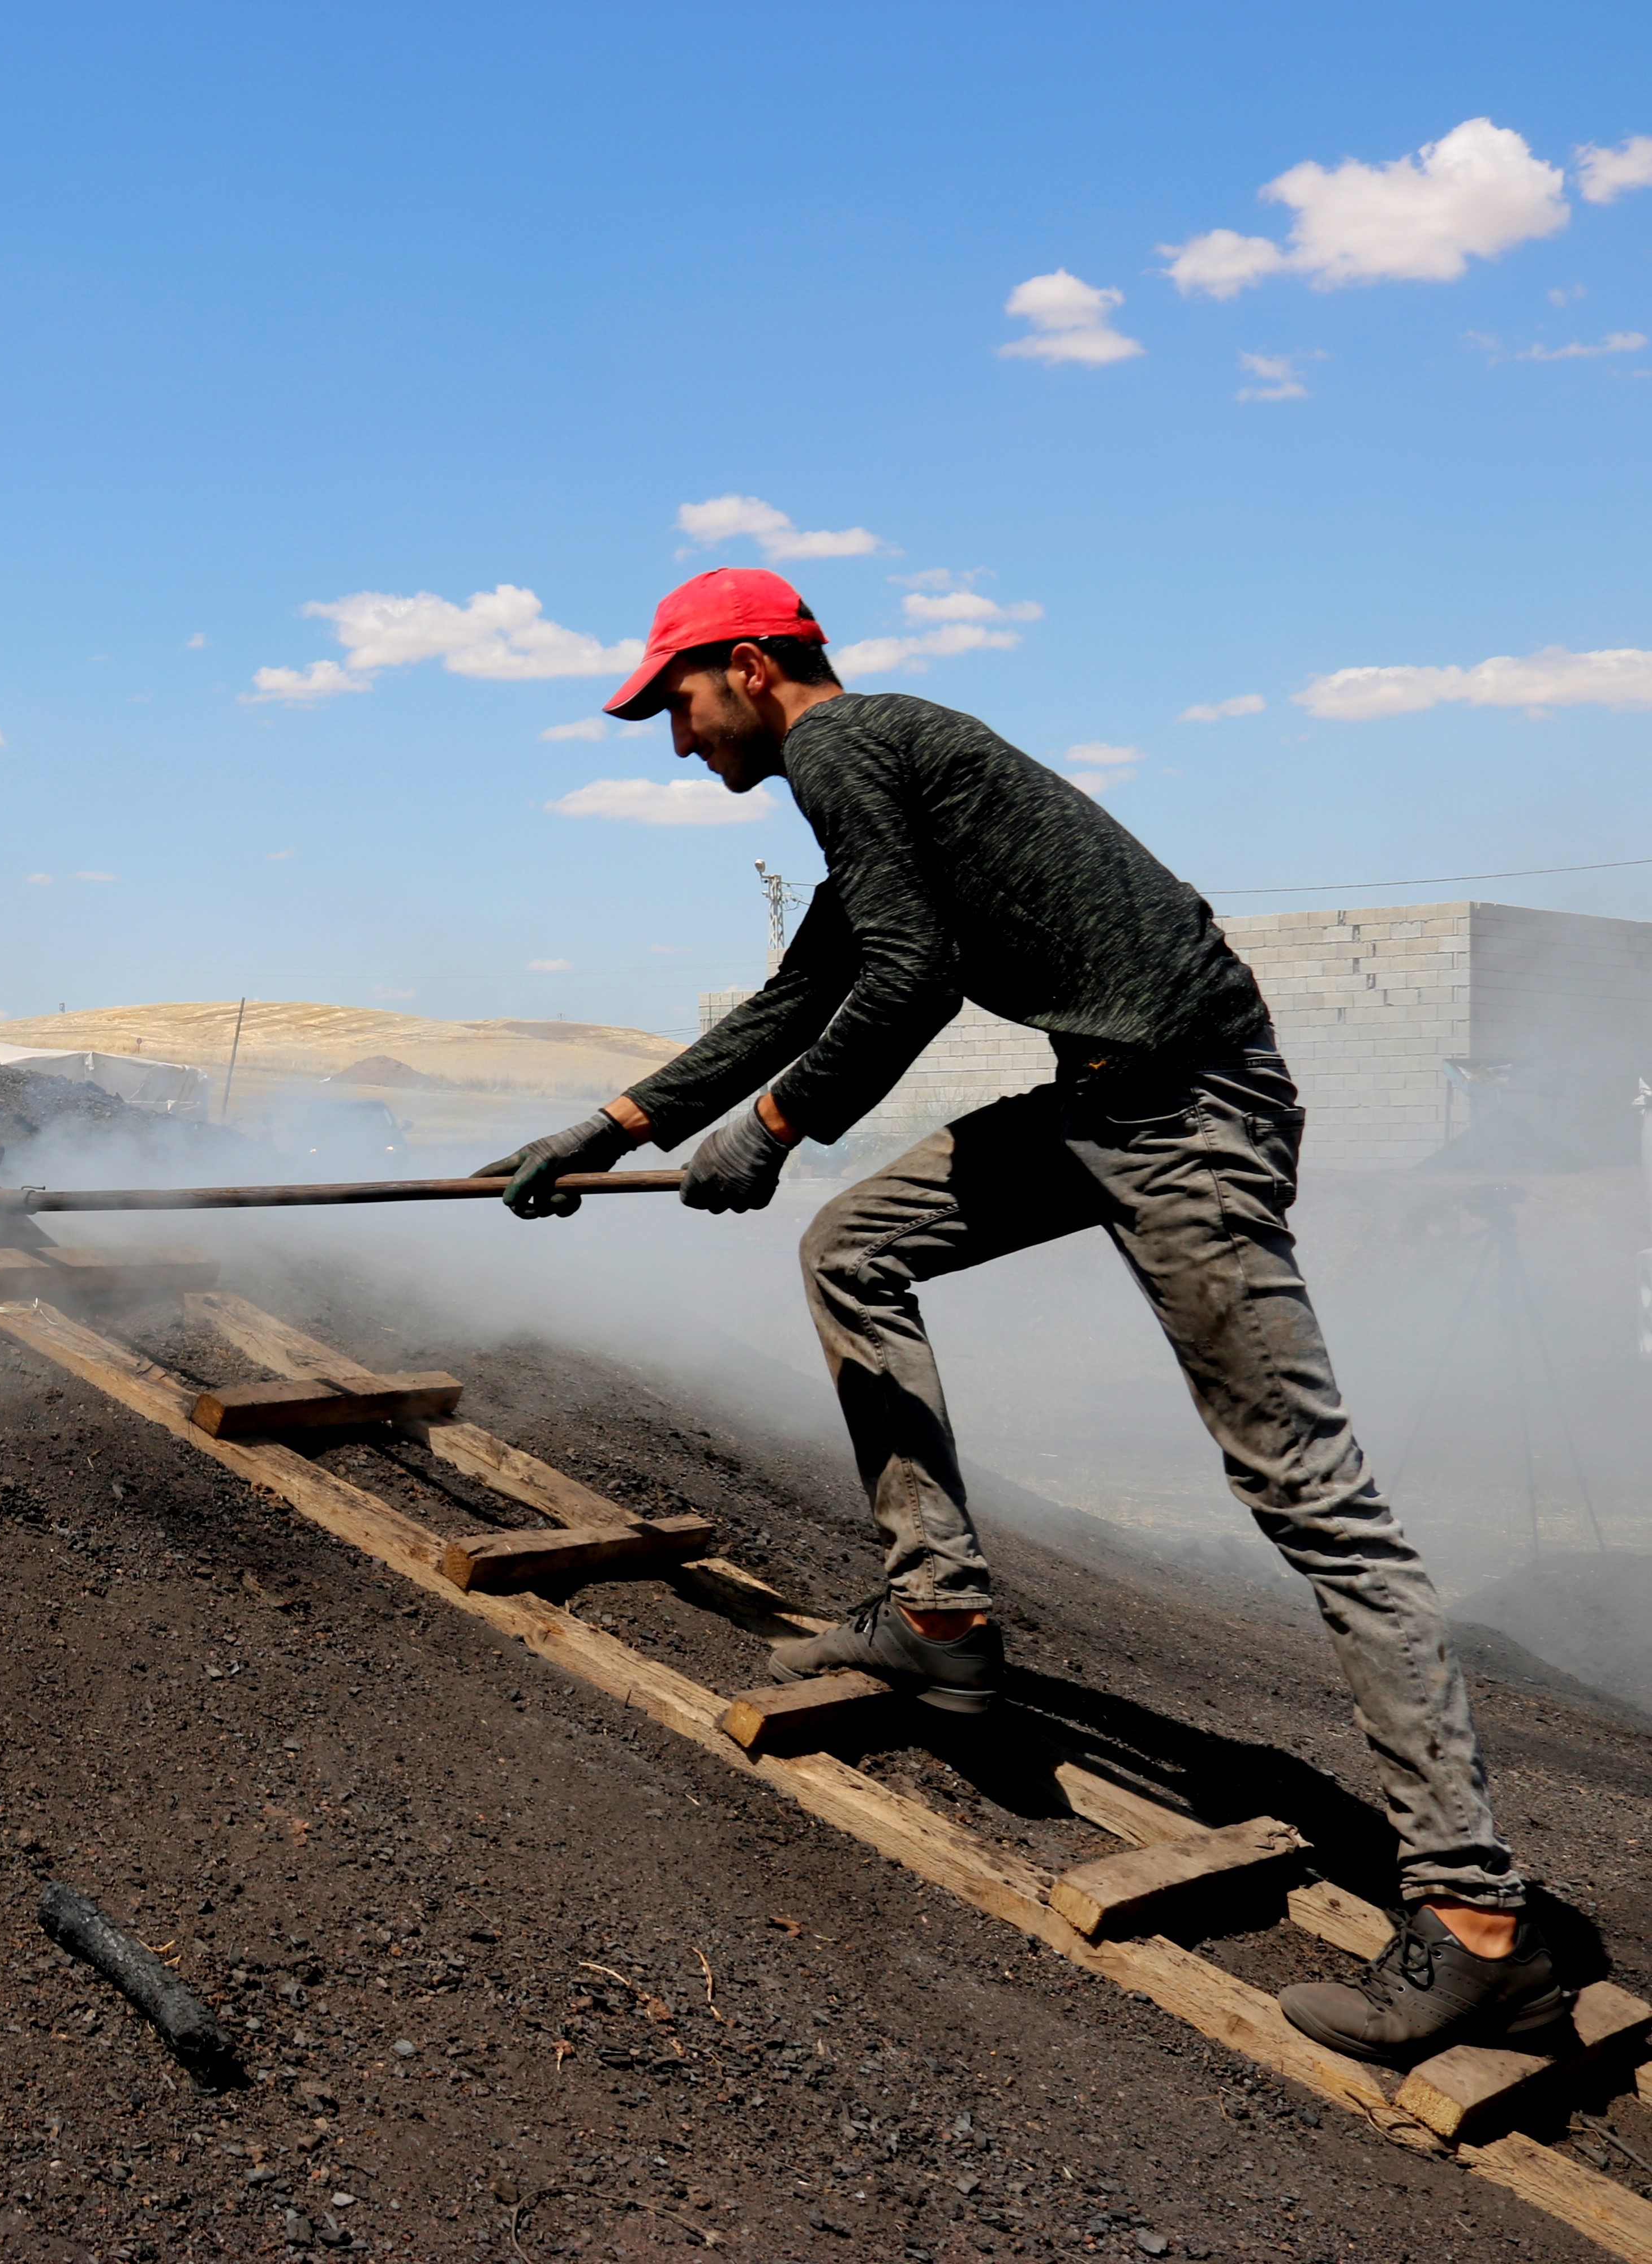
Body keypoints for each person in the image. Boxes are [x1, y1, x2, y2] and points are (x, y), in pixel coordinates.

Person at [480, 565, 1577, 2065]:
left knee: (1312, 1499)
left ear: (748, 665)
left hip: (1189, 1115)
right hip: (1107, 1104)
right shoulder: (877, 770)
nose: (674, 739)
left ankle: (1475, 1924)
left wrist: (780, 1126)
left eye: (674, 699)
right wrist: (608, 1126)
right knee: (856, 1247)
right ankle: (939, 1620)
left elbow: (909, 981)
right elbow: (808, 987)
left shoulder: (844, 745)